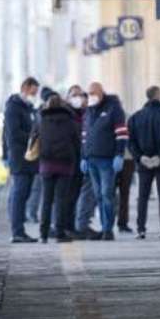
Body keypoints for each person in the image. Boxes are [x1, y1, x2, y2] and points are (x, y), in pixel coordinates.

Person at [127, 85, 160, 239]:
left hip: (143, 163)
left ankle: (140, 229)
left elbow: (131, 142)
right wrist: (159, 157)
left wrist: (141, 157)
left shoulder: (135, 117)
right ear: (158, 96)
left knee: (142, 196)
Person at [31, 94, 80, 243]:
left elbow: (33, 139)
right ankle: (59, 233)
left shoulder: (41, 120)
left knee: (46, 200)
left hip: (46, 165)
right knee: (61, 200)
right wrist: (76, 160)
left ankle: (43, 235)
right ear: (63, 105)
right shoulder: (70, 121)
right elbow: (76, 142)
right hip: (65, 165)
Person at [81, 82, 127, 241]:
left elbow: (121, 133)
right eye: (89, 93)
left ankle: (108, 229)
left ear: (101, 92)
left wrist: (119, 154)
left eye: (94, 93)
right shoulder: (88, 111)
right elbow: (85, 136)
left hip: (107, 160)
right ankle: (104, 227)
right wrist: (83, 157)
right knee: (98, 196)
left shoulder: (113, 108)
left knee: (107, 194)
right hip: (92, 159)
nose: (91, 96)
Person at [3, 77, 40, 243]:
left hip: (30, 158)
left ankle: (20, 230)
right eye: (33, 92)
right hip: (19, 158)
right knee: (19, 193)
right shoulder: (13, 107)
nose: (34, 95)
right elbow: (13, 133)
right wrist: (35, 138)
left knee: (24, 194)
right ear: (25, 87)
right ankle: (17, 232)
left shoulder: (29, 108)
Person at [63, 86, 99, 240]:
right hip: (69, 162)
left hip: (84, 159)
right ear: (68, 97)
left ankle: (78, 226)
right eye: (74, 95)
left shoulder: (88, 113)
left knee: (83, 194)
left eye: (81, 95)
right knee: (70, 196)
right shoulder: (65, 114)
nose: (78, 98)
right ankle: (72, 226)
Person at [26, 86, 57, 224]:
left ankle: (32, 213)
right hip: (48, 156)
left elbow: (33, 134)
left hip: (41, 156)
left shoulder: (38, 112)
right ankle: (42, 217)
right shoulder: (45, 114)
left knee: (39, 188)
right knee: (45, 190)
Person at [114, 148, 135, 233]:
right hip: (113, 158)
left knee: (125, 194)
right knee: (109, 194)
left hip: (128, 159)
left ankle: (122, 223)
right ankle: (107, 225)